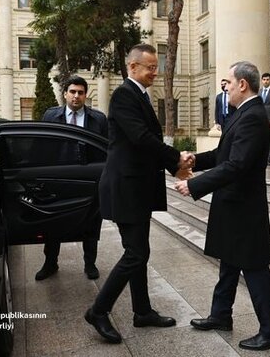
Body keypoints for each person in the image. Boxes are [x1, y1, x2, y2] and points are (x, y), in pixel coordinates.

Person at [85, 44, 194, 344]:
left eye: (156, 66)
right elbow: (141, 138)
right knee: (136, 254)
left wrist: (175, 167)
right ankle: (98, 310)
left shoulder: (139, 96)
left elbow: (145, 143)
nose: (155, 72)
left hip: (136, 189)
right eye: (149, 66)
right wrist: (176, 160)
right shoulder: (124, 95)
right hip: (126, 189)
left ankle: (142, 312)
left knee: (139, 251)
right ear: (132, 67)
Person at [174, 61, 270, 351]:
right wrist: (196, 160)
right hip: (233, 204)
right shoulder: (243, 113)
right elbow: (224, 153)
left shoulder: (252, 115)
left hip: (244, 207)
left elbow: (236, 165)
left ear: (243, 85)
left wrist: (194, 184)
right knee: (229, 263)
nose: (226, 87)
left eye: (228, 83)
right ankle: (221, 315)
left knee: (256, 268)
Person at [36, 75, 108, 281]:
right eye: (73, 92)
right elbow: (43, 146)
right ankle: (50, 263)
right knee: (53, 223)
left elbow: (106, 149)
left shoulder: (98, 119)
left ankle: (90, 264)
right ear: (65, 94)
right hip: (59, 180)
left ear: (86, 95)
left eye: (81, 92)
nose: (76, 96)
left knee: (91, 223)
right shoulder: (51, 116)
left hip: (89, 180)